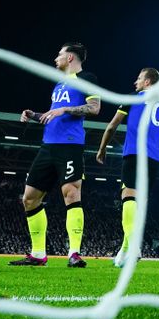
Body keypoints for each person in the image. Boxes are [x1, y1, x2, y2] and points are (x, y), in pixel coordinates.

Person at [11, 43, 100, 268]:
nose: (55, 58)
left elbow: (94, 108)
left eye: (59, 54)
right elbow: (53, 115)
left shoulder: (86, 77)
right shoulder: (59, 84)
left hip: (70, 146)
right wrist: (34, 115)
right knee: (29, 198)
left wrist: (64, 109)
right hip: (47, 146)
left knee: (71, 194)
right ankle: (38, 254)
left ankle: (74, 254)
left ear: (70, 57)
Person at [96, 67, 159, 267]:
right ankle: (125, 251)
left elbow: (112, 126)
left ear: (148, 82)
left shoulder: (133, 98)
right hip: (154, 159)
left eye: (139, 78)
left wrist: (102, 149)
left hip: (134, 154)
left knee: (129, 199)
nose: (136, 81)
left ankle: (133, 247)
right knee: (138, 204)